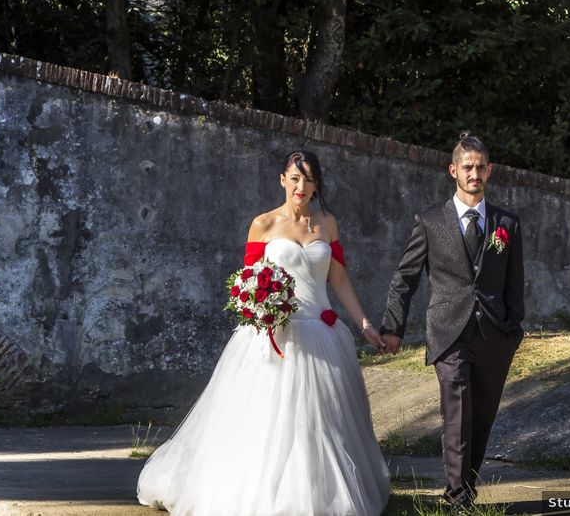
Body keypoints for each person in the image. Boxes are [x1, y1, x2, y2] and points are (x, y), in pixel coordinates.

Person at [137, 150, 390, 516]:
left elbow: (338, 279)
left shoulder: (327, 224)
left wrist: (365, 324)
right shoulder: (263, 225)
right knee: (268, 424)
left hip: (323, 333)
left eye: (309, 179)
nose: (301, 186)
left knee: (320, 424)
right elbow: (247, 283)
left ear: (317, 184)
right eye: (295, 178)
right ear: (282, 180)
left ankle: (318, 496)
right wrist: (261, 309)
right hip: (275, 337)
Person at [378, 132, 525, 508]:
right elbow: (405, 277)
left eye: (480, 167)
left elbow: (514, 281)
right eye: (467, 167)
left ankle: (468, 488)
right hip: (448, 332)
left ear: (489, 171)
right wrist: (392, 328)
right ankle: (457, 497)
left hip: (495, 333)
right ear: (453, 170)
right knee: (457, 412)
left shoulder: (507, 223)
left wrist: (513, 329)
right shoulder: (429, 221)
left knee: (482, 416)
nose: (474, 173)